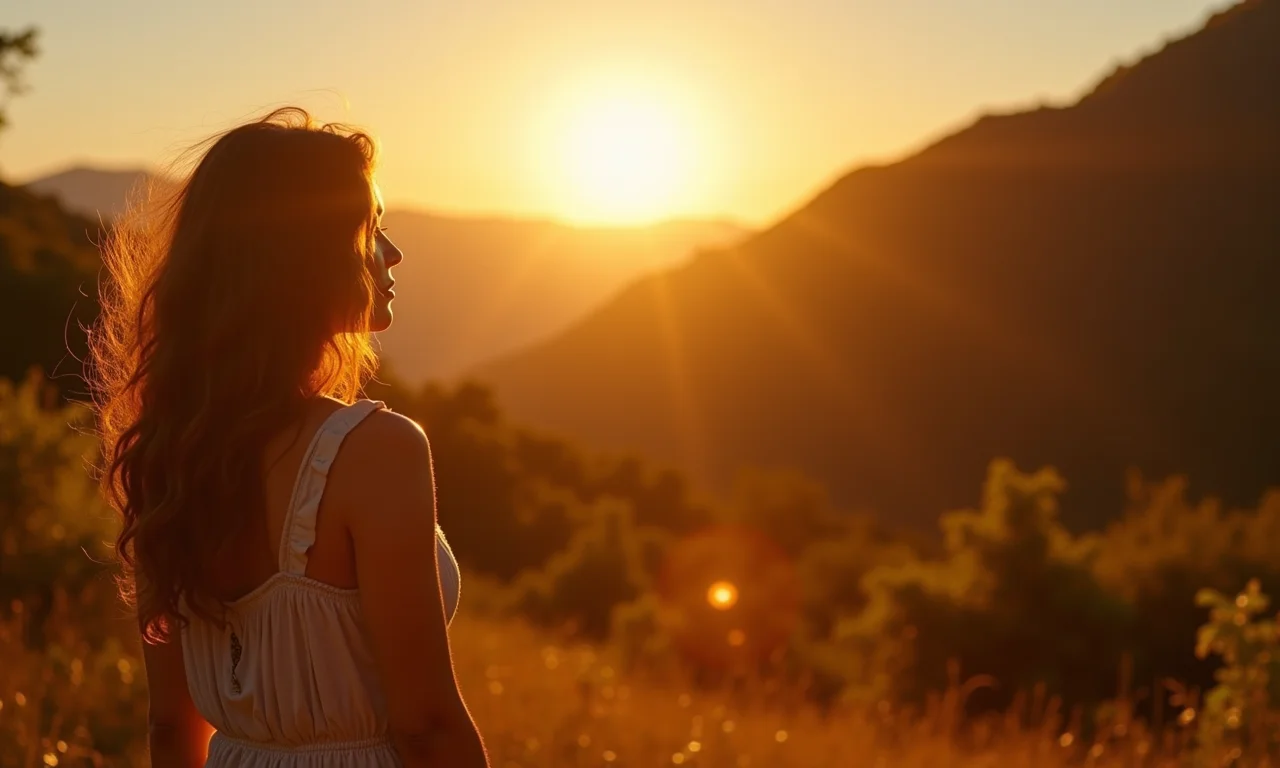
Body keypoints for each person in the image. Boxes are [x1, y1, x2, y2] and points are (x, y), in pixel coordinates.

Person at [89, 107, 489, 768]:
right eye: (371, 230)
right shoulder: (375, 450)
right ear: (304, 256)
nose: (392, 254)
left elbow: (170, 725)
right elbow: (426, 725)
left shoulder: (171, 455)